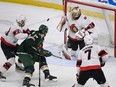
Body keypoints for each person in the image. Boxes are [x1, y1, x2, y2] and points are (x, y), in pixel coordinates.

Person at [0, 15, 31, 81]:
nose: (23, 22)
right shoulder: (15, 27)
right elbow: (18, 36)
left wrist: (29, 32)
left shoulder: (20, 26)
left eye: (24, 21)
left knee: (23, 52)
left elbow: (26, 30)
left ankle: (19, 65)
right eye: (22, 21)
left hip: (13, 45)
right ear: (19, 21)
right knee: (11, 59)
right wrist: (28, 34)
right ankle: (0, 72)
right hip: (6, 45)